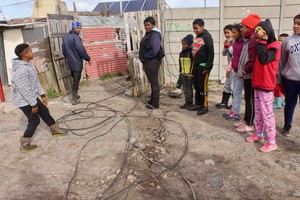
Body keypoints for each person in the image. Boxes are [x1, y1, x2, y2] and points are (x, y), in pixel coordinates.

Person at [11, 44, 68, 153]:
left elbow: (35, 82)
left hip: (31, 97)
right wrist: (34, 105)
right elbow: (24, 90)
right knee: (34, 120)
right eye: (30, 51)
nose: (32, 52)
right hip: (23, 100)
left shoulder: (29, 64)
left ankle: (55, 131)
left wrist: (42, 95)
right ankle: (25, 144)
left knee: (45, 111)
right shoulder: (21, 70)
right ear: (25, 54)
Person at [245, 19, 281, 152]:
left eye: (260, 30)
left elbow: (264, 59)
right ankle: (259, 134)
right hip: (258, 84)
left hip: (266, 85)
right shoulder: (261, 44)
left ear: (267, 32)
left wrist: (262, 42)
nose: (257, 32)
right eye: (256, 30)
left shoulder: (275, 46)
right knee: (258, 112)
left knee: (267, 114)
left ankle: (272, 141)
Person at [232, 14, 261, 133]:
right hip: (246, 74)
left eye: (243, 27)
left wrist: (244, 71)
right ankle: (246, 119)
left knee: (250, 100)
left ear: (249, 28)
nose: (241, 29)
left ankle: (251, 123)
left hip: (249, 75)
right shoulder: (248, 40)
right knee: (247, 98)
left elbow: (252, 60)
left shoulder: (253, 40)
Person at [277, 13, 300, 137]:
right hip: (290, 79)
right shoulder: (287, 41)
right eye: (294, 23)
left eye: (299, 24)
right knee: (290, 103)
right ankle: (287, 125)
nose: (295, 26)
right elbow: (282, 61)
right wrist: (279, 79)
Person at [188, 18, 214, 115]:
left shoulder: (207, 37)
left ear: (202, 26)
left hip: (203, 66)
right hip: (196, 66)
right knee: (197, 85)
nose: (195, 30)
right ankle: (198, 104)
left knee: (203, 87)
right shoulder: (197, 37)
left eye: (197, 28)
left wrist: (207, 67)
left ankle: (205, 106)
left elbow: (211, 53)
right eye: (194, 29)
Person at [62, 21, 91, 105]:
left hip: (70, 62)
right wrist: (88, 59)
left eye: (80, 28)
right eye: (77, 28)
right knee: (76, 81)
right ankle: (74, 99)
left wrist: (68, 56)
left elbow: (63, 50)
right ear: (73, 28)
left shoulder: (66, 37)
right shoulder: (76, 38)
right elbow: (81, 50)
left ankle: (75, 95)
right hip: (77, 63)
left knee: (74, 80)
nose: (79, 30)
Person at [139, 16, 163, 109]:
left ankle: (155, 104)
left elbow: (155, 50)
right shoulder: (149, 33)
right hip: (149, 61)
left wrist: (145, 57)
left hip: (152, 61)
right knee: (153, 82)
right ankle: (152, 100)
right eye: (145, 25)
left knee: (154, 83)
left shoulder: (155, 34)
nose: (146, 27)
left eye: (148, 25)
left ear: (153, 25)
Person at [223, 24, 244, 123]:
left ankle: (236, 113)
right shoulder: (235, 42)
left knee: (237, 92)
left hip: (240, 71)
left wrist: (229, 46)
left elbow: (239, 56)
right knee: (235, 91)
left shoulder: (243, 43)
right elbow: (233, 57)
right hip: (234, 69)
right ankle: (233, 110)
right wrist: (229, 68)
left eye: (234, 33)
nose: (232, 34)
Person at [216, 24, 234, 109]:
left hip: (235, 68)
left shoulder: (236, 42)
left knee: (233, 86)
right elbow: (223, 53)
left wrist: (229, 47)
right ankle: (224, 102)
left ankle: (234, 104)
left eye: (228, 33)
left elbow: (235, 54)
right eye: (225, 33)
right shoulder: (229, 41)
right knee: (227, 85)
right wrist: (225, 46)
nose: (226, 35)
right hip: (229, 67)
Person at [178, 34, 194, 109]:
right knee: (185, 89)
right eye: (182, 44)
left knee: (189, 89)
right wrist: (180, 72)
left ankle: (190, 102)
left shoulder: (191, 53)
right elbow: (180, 63)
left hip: (189, 74)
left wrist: (191, 74)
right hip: (183, 74)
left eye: (185, 44)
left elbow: (193, 64)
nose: (183, 46)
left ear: (189, 44)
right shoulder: (181, 53)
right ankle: (187, 102)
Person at [273, 33, 289, 109]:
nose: (279, 42)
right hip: (276, 72)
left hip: (284, 73)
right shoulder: (276, 50)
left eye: (282, 41)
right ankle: (278, 103)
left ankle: (287, 99)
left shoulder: (287, 51)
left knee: (284, 88)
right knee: (276, 88)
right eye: (278, 40)